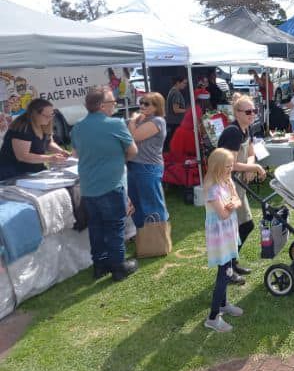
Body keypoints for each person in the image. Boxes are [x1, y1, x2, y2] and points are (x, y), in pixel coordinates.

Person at [71, 87, 137, 281]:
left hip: (88, 186)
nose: (115, 104)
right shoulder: (115, 124)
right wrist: (117, 160)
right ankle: (118, 266)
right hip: (111, 183)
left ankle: (99, 265)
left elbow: (76, 153)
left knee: (96, 226)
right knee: (115, 225)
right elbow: (133, 151)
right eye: (112, 102)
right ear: (101, 106)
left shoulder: (77, 127)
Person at [215, 95, 267, 282]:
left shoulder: (247, 128)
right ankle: (227, 270)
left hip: (238, 184)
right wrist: (254, 167)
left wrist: (251, 166)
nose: (252, 114)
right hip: (227, 185)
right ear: (236, 113)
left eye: (254, 110)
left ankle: (232, 263)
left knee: (244, 225)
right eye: (248, 111)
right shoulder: (233, 132)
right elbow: (232, 164)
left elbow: (251, 152)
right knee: (235, 228)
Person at [201, 149, 246, 332]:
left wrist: (234, 203)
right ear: (217, 167)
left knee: (227, 269)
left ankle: (223, 304)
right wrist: (232, 205)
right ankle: (212, 317)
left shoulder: (227, 181)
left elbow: (237, 200)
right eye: (227, 166)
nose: (230, 169)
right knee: (225, 273)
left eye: (231, 166)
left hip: (228, 232)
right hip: (219, 236)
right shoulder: (212, 189)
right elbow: (223, 214)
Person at [126, 93, 168, 231]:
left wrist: (133, 121)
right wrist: (135, 120)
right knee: (135, 203)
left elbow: (133, 137)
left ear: (157, 107)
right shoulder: (142, 119)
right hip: (133, 165)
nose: (142, 106)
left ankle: (158, 236)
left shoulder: (157, 121)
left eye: (146, 103)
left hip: (148, 167)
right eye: (141, 102)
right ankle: (142, 234)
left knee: (152, 204)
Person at [0, 99, 70, 181]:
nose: (50, 118)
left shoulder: (44, 124)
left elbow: (49, 143)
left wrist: (61, 151)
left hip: (35, 170)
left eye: (52, 114)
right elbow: (23, 156)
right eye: (46, 116)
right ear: (35, 114)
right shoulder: (22, 127)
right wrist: (50, 158)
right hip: (13, 173)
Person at [165, 75, 190, 149]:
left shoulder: (172, 91)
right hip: (175, 122)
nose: (185, 85)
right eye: (184, 83)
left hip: (172, 121)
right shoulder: (176, 93)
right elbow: (176, 110)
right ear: (178, 83)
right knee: (175, 143)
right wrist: (187, 110)